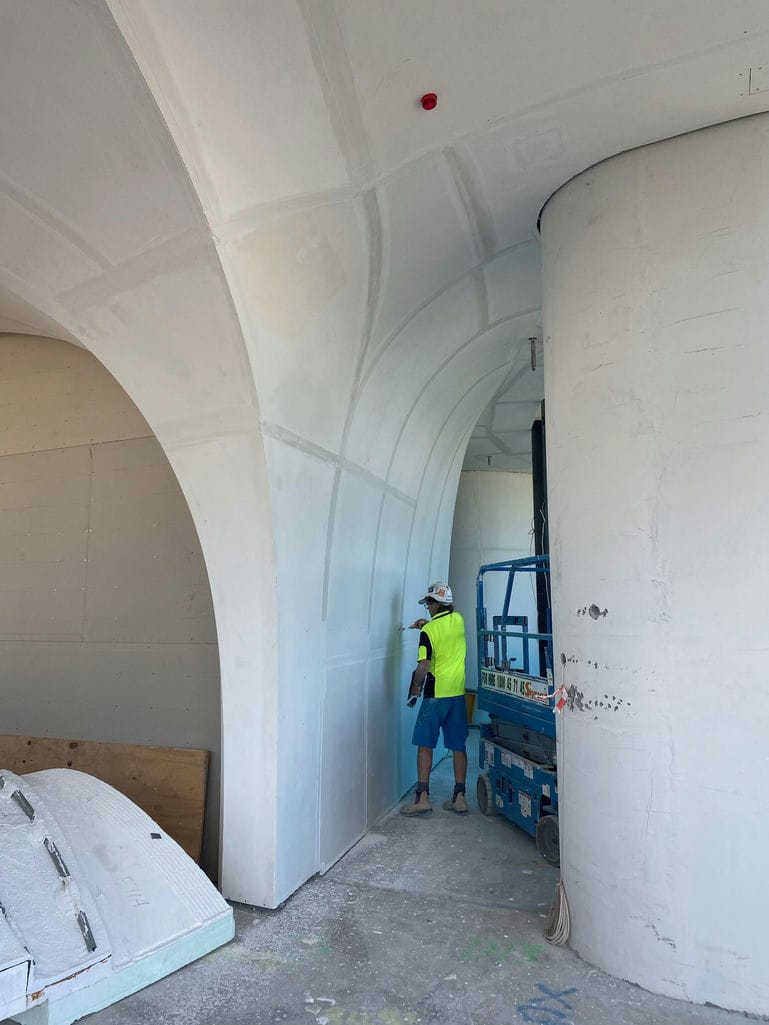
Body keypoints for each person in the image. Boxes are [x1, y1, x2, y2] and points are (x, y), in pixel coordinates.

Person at [400, 581, 469, 816]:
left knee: (425, 744)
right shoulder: (458, 619)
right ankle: (460, 797)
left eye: (428, 604)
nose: (427, 608)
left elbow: (424, 665)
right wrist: (427, 626)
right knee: (458, 746)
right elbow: (445, 635)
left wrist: (416, 687)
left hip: (435, 695)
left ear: (436, 604)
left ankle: (422, 798)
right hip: (457, 693)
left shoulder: (428, 633)